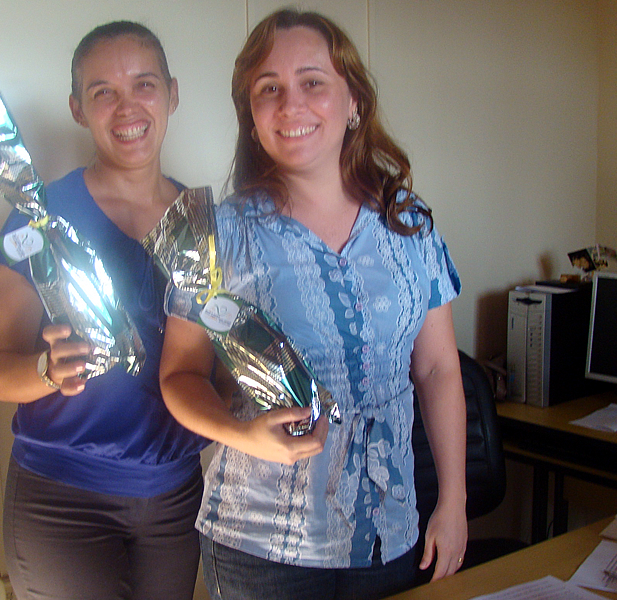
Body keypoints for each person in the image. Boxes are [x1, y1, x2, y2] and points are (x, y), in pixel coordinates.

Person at [159, 9, 468, 600]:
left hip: (389, 531)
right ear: (252, 118)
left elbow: (437, 369)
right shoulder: (215, 235)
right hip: (263, 548)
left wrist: (452, 501)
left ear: (354, 102)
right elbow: (179, 376)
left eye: (312, 82)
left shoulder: (409, 224)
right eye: (268, 89)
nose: (290, 105)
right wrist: (241, 434)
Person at [0, 21, 210, 600]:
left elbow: (212, 362)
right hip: (62, 502)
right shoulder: (39, 218)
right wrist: (45, 371)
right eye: (103, 91)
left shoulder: (202, 222)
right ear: (78, 109)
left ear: (172, 94)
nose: (127, 107)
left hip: (176, 500)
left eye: (144, 84)